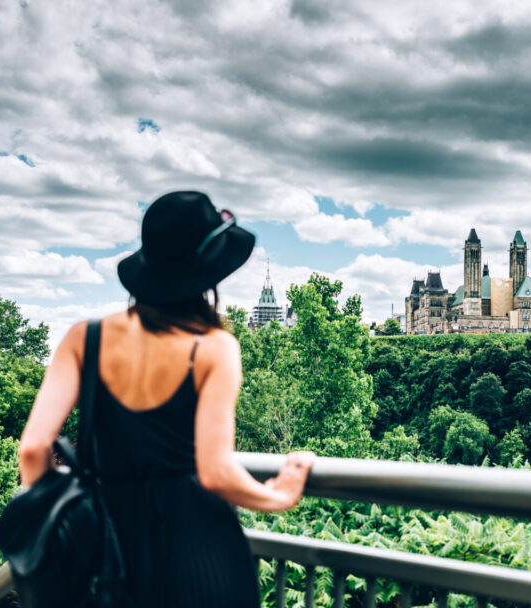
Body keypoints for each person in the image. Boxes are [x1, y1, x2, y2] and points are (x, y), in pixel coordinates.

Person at [17, 191, 313, 606]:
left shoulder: (84, 338)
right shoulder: (213, 347)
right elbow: (214, 473)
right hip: (201, 555)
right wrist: (279, 495)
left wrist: (63, 526)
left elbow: (33, 451)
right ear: (208, 274)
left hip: (110, 554)